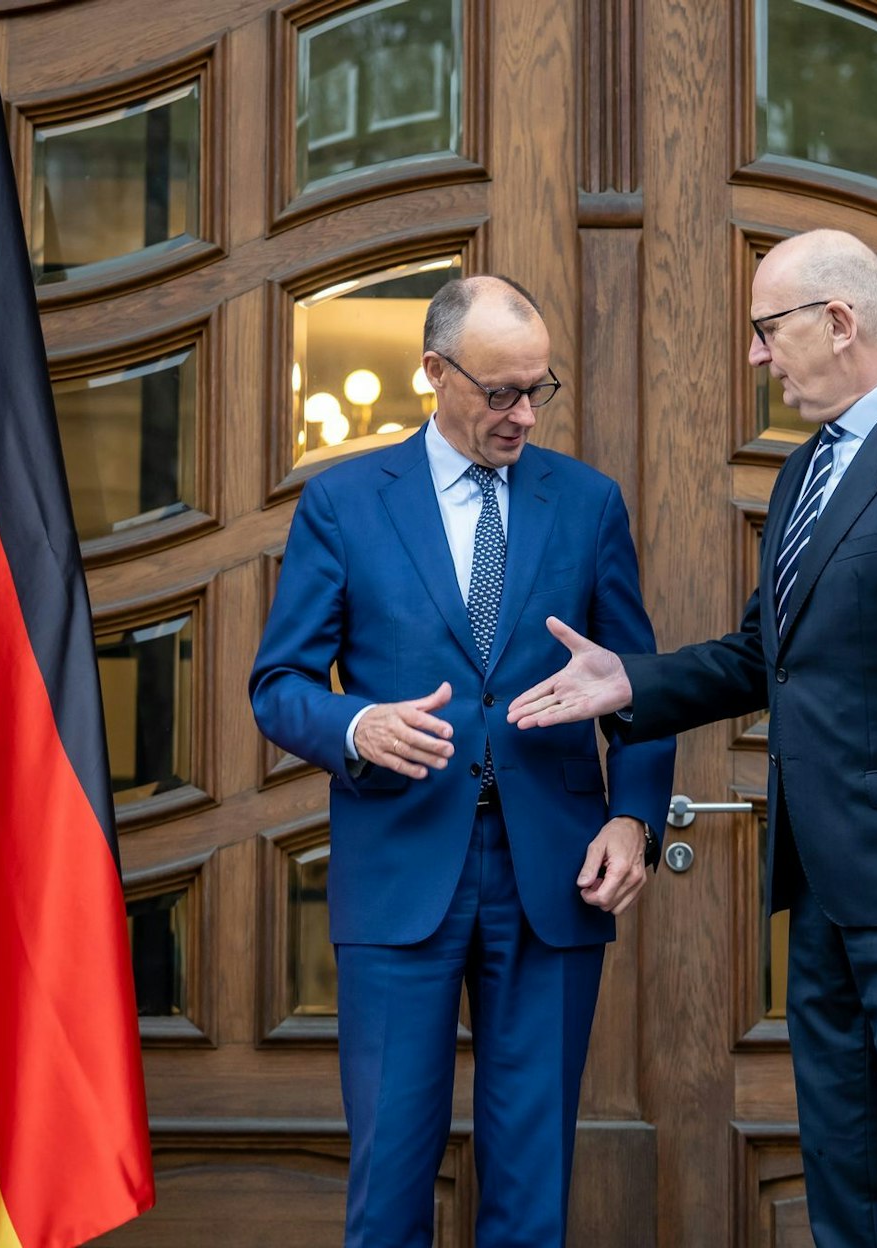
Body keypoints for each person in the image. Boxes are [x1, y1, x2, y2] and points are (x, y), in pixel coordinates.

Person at [509, 230, 877, 1246]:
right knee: (846, 1193)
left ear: (838, 321)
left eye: (769, 331)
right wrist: (628, 681)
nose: (758, 356)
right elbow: (767, 656)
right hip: (822, 887)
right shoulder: (806, 469)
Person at [250, 275, 675, 1248]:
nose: (522, 414)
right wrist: (356, 727)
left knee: (532, 1189)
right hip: (401, 866)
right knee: (390, 1180)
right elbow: (278, 686)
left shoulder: (588, 503)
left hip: (554, 875)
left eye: (538, 389)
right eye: (499, 392)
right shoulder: (344, 503)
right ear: (433, 373)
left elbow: (635, 687)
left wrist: (632, 818)